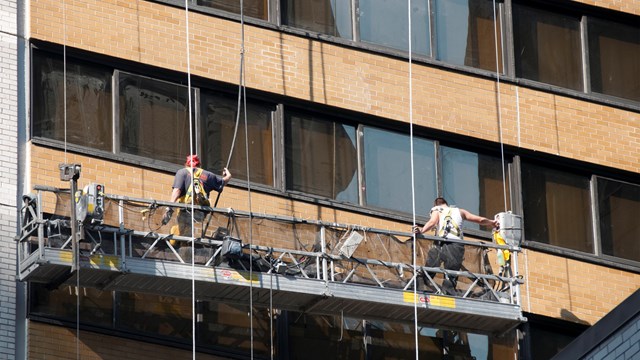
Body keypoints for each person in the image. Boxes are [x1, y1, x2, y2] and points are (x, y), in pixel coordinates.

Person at [413, 197, 497, 293]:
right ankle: (448, 291)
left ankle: (421, 285)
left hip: (441, 242)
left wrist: (421, 231)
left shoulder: (437, 209)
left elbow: (433, 222)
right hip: (457, 245)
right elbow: (480, 220)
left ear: (435, 205)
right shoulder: (460, 211)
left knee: (431, 266)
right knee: (451, 273)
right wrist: (492, 222)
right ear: (446, 204)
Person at [162, 154, 232, 237]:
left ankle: (183, 240)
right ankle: (198, 197)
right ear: (199, 165)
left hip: (185, 210)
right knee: (188, 227)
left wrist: (169, 208)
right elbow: (222, 182)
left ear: (186, 164)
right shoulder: (208, 175)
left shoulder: (182, 172)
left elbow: (177, 191)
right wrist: (228, 175)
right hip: (201, 212)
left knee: (184, 233)